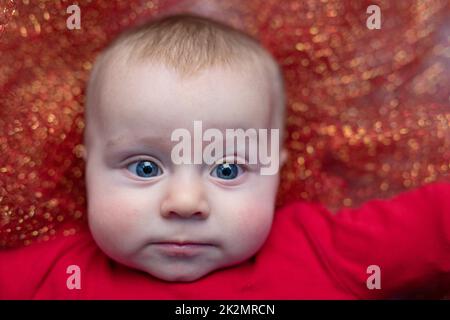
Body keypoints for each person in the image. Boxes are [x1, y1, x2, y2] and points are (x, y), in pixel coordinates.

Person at [0, 14, 449, 299]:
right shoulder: (54, 275)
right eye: (145, 167)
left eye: (227, 168)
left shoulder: (319, 250)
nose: (185, 202)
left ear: (278, 168)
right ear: (86, 167)